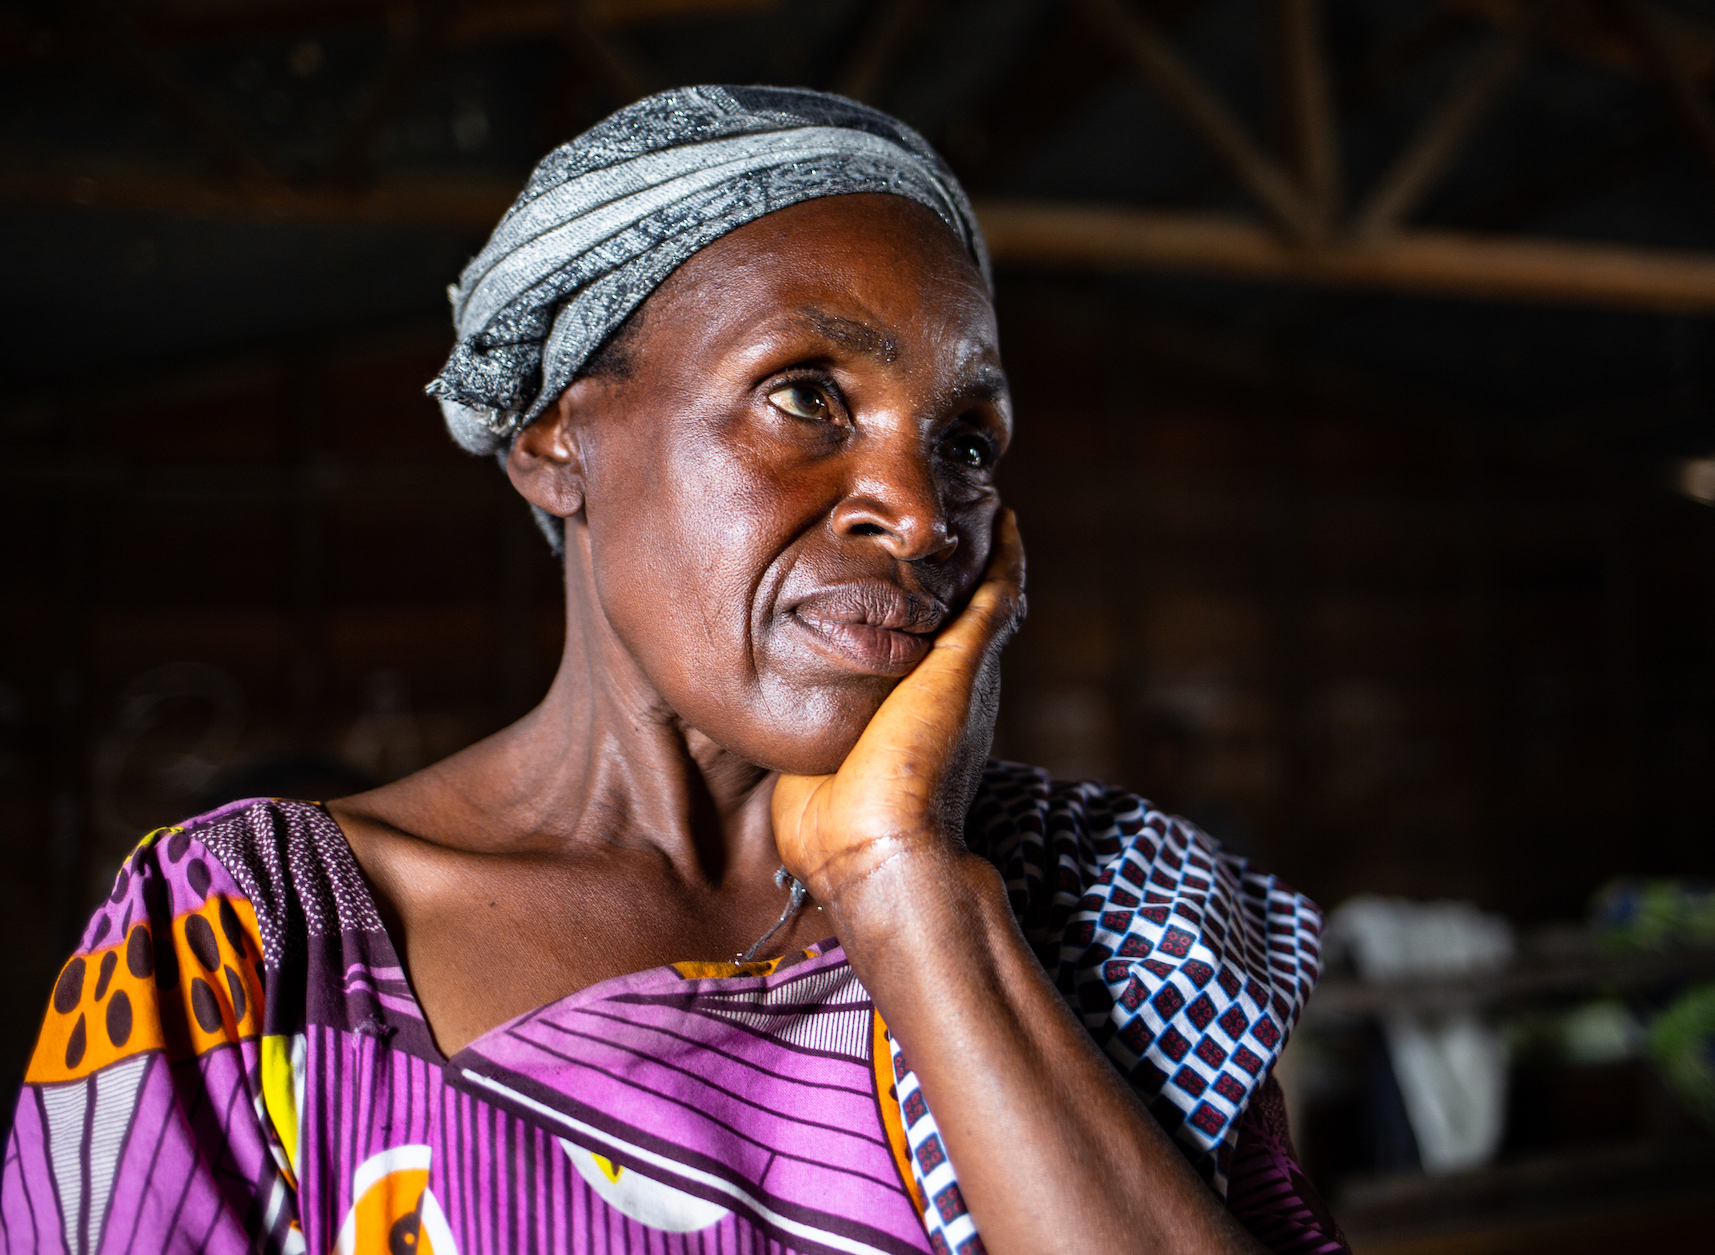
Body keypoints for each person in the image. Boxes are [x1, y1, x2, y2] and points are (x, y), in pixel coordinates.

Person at [3, 87, 1340, 1255]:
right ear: (554, 441)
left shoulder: (1094, 916)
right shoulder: (252, 945)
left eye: (969, 442)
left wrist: (907, 893)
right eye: (809, 393)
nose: (923, 512)